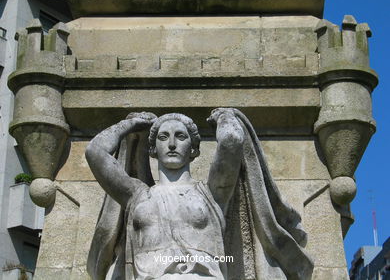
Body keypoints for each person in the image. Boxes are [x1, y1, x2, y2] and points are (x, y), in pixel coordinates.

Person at [86, 109, 314, 280]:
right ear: (153, 149)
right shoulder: (138, 195)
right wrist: (130, 124)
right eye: (163, 137)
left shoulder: (211, 194)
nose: (172, 144)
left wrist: (225, 117)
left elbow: (232, 141)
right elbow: (95, 152)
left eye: (181, 137)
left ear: (194, 149)